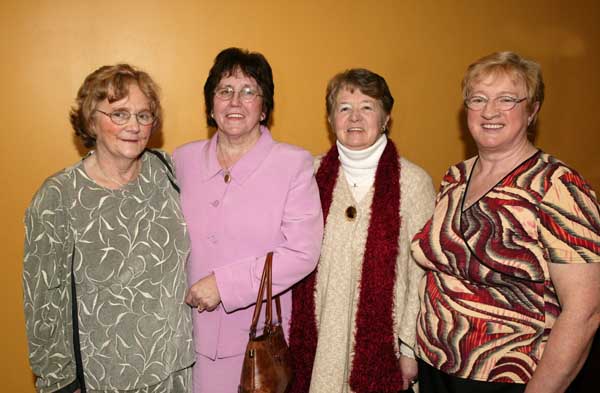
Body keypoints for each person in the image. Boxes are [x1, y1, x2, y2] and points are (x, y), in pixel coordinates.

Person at [411, 51, 600, 393]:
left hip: (509, 377)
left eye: (507, 99)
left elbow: (586, 312)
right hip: (434, 366)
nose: (489, 111)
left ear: (533, 110)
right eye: (478, 99)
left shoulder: (558, 187)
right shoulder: (455, 177)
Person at [23, 64, 194, 393]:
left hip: (176, 373)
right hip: (104, 379)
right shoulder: (59, 196)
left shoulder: (165, 171)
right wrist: (59, 384)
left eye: (144, 115)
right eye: (119, 114)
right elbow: (42, 306)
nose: (134, 126)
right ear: (91, 119)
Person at [173, 47, 323, 393]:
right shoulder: (182, 160)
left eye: (248, 91)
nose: (235, 101)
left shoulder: (293, 164)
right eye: (224, 91)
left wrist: (224, 286)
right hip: (182, 341)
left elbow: (303, 252)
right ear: (210, 105)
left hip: (255, 346)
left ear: (264, 106)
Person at [289, 68, 436, 393]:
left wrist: (410, 350)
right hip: (320, 341)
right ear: (330, 119)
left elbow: (421, 275)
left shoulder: (413, 184)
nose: (355, 117)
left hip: (385, 347)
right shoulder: (308, 175)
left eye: (367, 106)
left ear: (386, 118)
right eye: (344, 107)